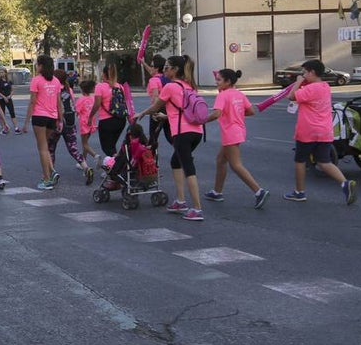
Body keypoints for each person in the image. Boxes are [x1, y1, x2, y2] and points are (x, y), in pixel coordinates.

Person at [135, 55, 205, 221]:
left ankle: (197, 209)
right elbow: (183, 111)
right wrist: (166, 117)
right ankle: (180, 200)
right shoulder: (189, 86)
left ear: (175, 70)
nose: (164, 70)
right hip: (197, 131)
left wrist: (142, 113)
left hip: (182, 133)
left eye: (167, 67)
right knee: (176, 162)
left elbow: (156, 105)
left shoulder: (171, 87)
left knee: (189, 169)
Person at [284, 59, 357, 205]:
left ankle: (299, 192)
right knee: (324, 162)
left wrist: (298, 82)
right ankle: (344, 183)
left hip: (307, 131)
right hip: (324, 131)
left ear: (312, 72)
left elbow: (291, 96)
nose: (303, 75)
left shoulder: (310, 89)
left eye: (304, 72)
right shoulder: (325, 87)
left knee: (300, 160)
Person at [203, 69, 269, 208]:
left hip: (230, 133)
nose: (216, 82)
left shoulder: (223, 95)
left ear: (228, 82)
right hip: (238, 131)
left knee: (236, 165)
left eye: (219, 80)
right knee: (220, 161)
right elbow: (251, 111)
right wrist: (236, 113)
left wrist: (201, 121)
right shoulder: (239, 94)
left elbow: (216, 114)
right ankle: (217, 192)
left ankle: (259, 191)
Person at [28, 55, 63, 190]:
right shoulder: (56, 81)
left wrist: (26, 121)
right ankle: (52, 172)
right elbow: (58, 102)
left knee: (42, 148)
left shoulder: (36, 80)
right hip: (52, 117)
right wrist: (60, 118)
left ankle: (47, 178)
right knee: (46, 147)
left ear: (41, 66)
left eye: (37, 65)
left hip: (39, 116)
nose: (36, 67)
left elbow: (32, 101)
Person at [87, 63, 128, 157]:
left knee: (107, 148)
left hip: (106, 121)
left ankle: (117, 167)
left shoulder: (100, 86)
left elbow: (97, 104)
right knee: (112, 146)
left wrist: (90, 117)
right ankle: (114, 167)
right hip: (120, 120)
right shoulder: (120, 87)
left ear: (104, 74)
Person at [75, 79, 100, 170]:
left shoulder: (81, 100)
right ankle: (83, 161)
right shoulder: (93, 98)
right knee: (86, 143)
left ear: (82, 90)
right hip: (91, 122)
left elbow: (77, 111)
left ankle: (95, 155)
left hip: (84, 123)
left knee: (84, 144)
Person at [0, 68, 22, 134]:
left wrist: (10, 96)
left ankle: (16, 128)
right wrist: (4, 97)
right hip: (1, 99)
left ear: (5, 73)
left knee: (12, 112)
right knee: (2, 113)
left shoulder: (9, 81)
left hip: (8, 98)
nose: (1, 73)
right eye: (0, 72)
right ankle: (4, 128)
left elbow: (12, 90)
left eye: (2, 72)